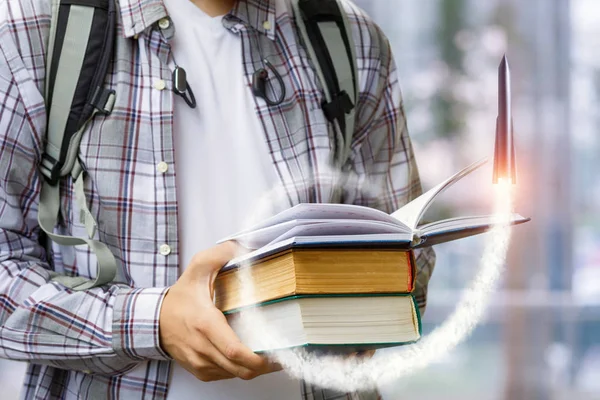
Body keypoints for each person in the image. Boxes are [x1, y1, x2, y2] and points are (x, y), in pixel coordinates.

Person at [0, 0, 436, 398]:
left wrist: (364, 303)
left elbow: (406, 246)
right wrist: (153, 322)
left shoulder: (350, 39)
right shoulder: (30, 31)